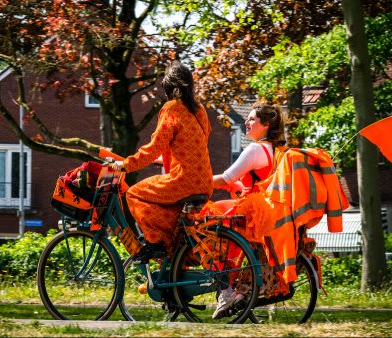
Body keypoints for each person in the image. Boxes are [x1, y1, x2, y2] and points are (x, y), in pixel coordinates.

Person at [111, 60, 214, 262]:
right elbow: (197, 140)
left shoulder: (172, 109)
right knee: (174, 218)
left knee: (134, 193)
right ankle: (173, 270)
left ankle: (156, 243)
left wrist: (126, 164)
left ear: (170, 88)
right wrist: (169, 158)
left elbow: (152, 148)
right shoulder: (199, 109)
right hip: (204, 181)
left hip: (183, 181)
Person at [208, 102, 287, 319]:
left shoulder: (255, 149)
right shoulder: (278, 151)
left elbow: (226, 178)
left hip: (250, 210)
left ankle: (225, 291)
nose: (246, 122)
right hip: (267, 210)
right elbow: (262, 182)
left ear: (266, 125)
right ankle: (234, 288)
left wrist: (200, 183)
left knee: (208, 232)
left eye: (252, 119)